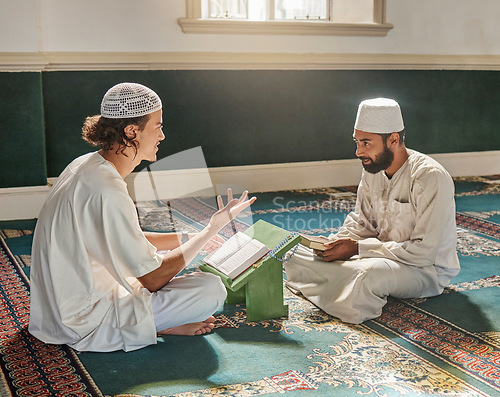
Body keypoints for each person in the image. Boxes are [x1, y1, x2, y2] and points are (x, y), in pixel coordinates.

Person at [29, 82, 256, 352]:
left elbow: (123, 238)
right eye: (158, 126)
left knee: (184, 275)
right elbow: (153, 278)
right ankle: (154, 325)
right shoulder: (107, 189)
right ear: (131, 131)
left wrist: (188, 237)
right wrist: (210, 231)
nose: (162, 136)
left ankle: (157, 321)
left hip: (54, 313)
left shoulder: (85, 165)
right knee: (210, 289)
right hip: (85, 320)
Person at [284, 97, 460, 324]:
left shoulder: (429, 177)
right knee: (296, 253)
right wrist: (334, 244)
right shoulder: (372, 169)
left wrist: (357, 249)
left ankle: (340, 286)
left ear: (393, 139)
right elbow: (362, 224)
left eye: (366, 143)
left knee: (369, 275)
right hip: (382, 256)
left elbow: (423, 252)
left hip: (424, 269)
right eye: (357, 142)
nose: (358, 151)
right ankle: (338, 284)